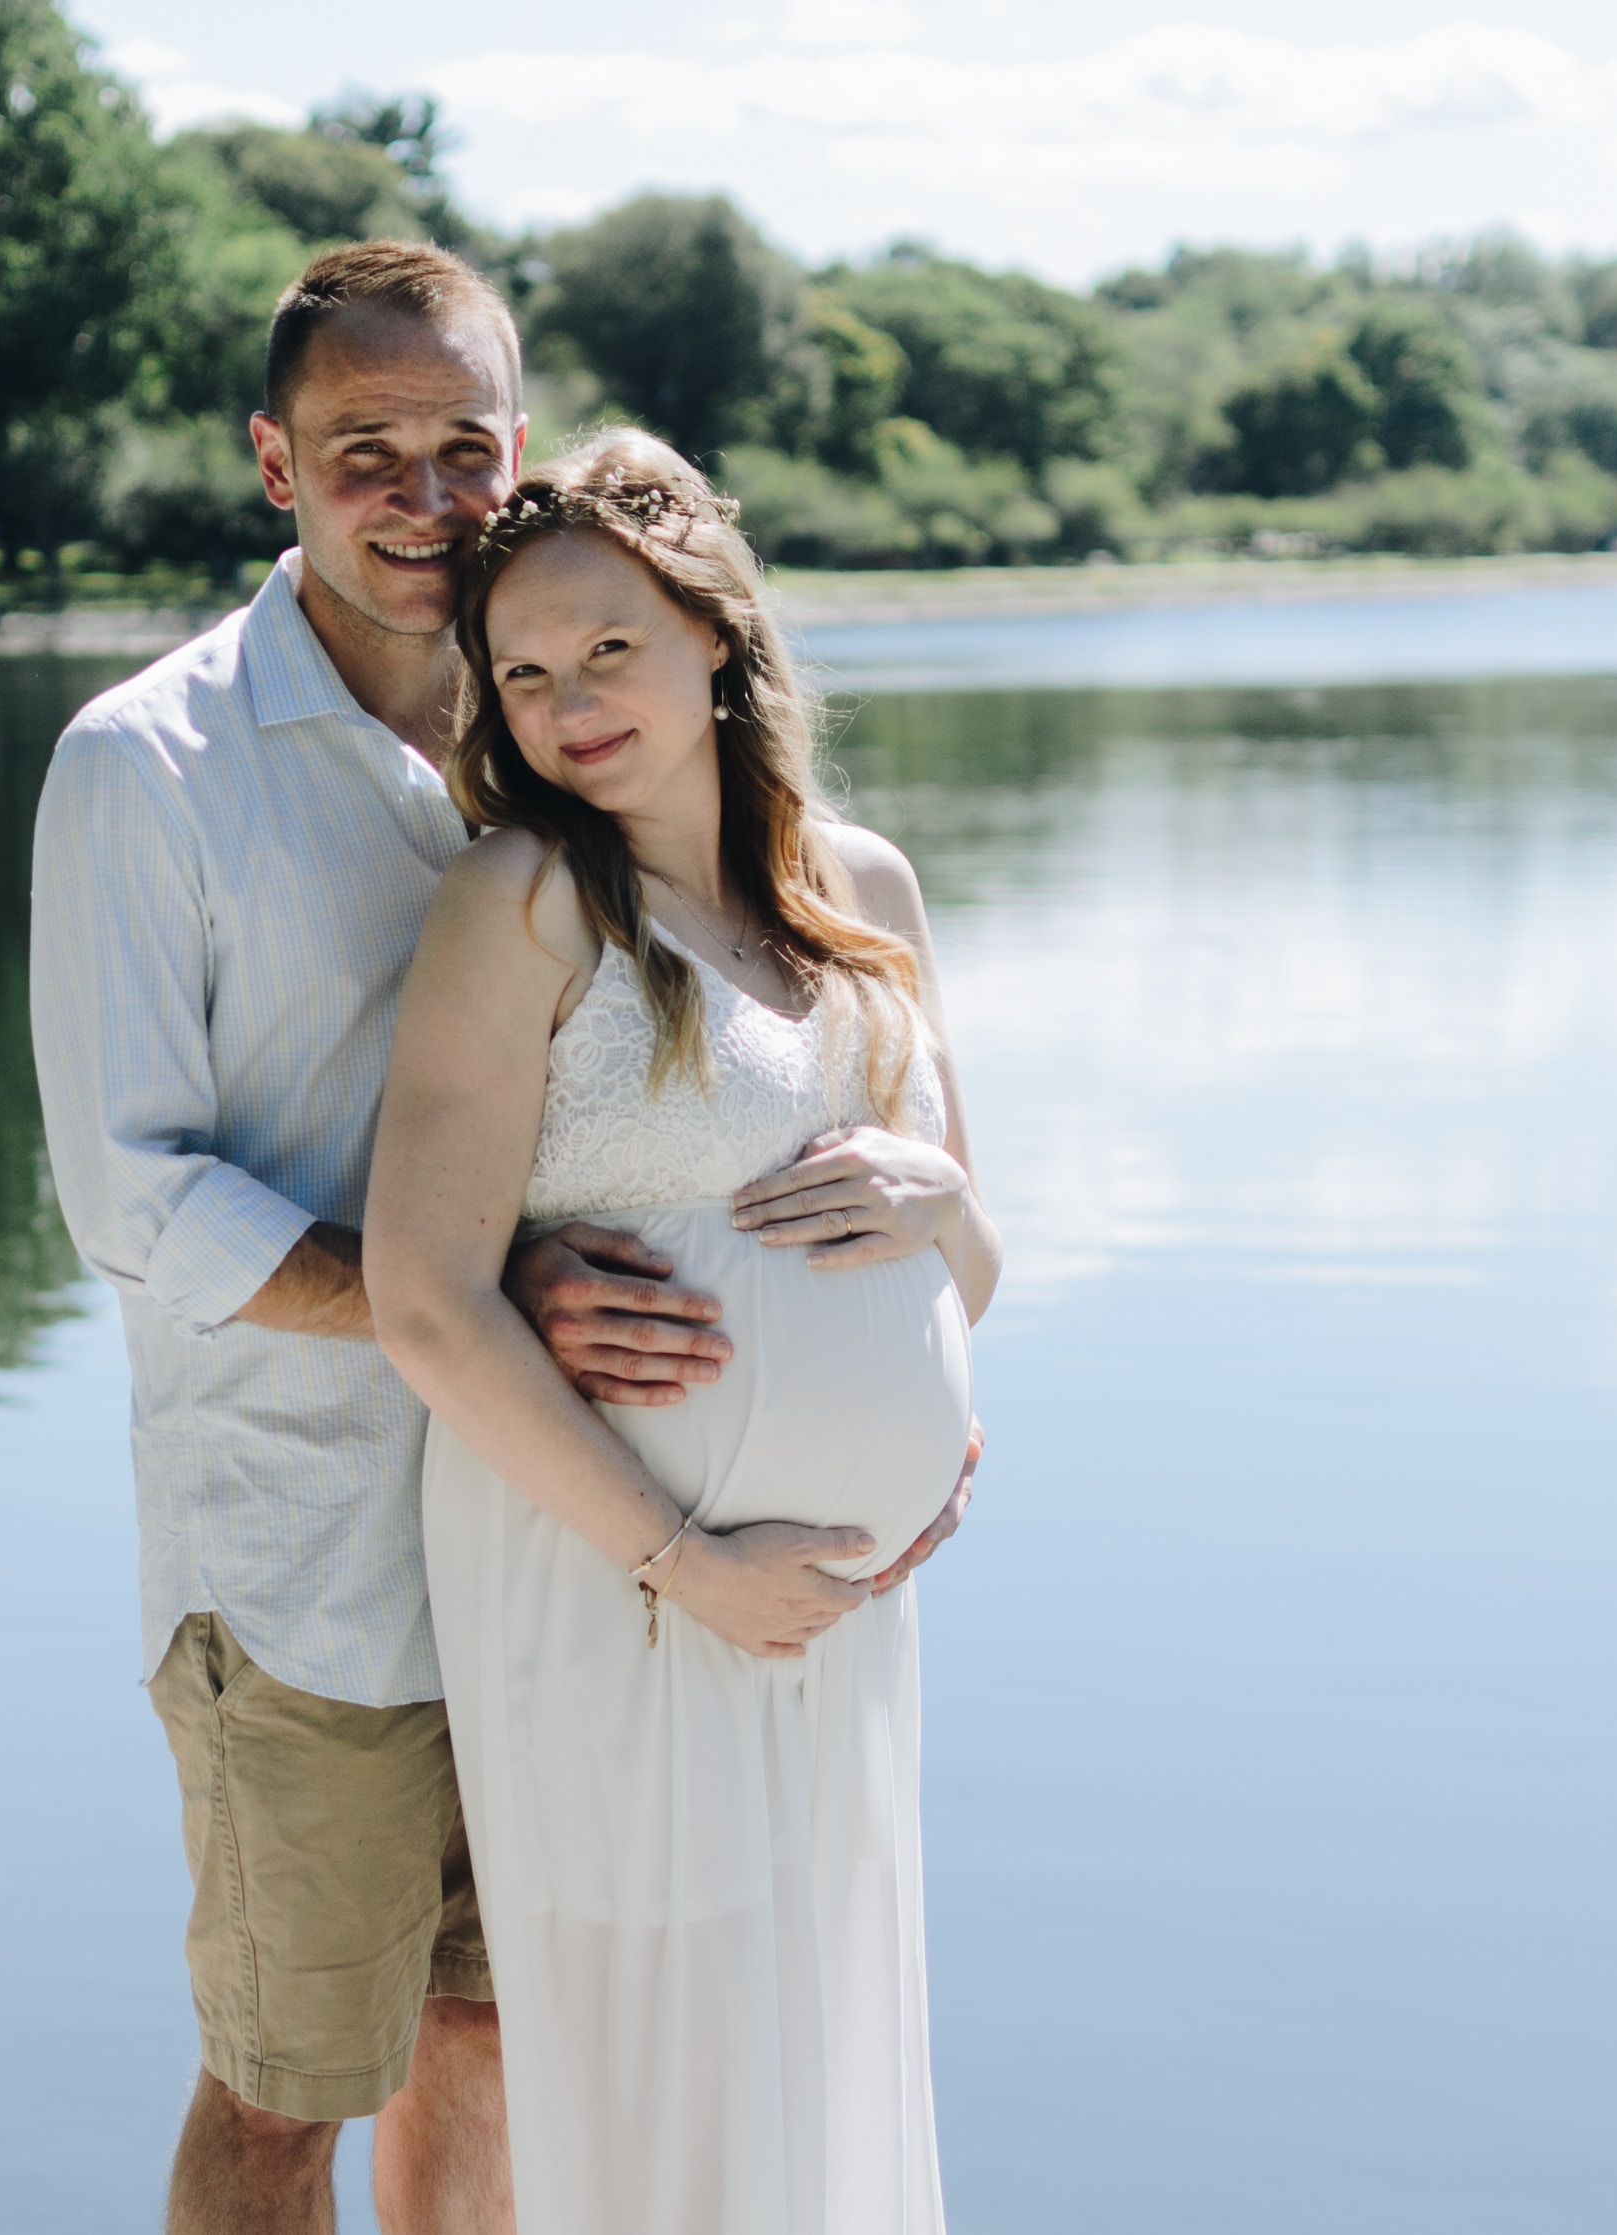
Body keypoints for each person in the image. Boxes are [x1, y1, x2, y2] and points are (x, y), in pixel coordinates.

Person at [30, 244, 979, 2235]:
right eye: (362, 446)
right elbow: (133, 1193)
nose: (423, 489)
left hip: (590, 1560)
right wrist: (455, 1300)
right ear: (274, 466)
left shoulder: (558, 716)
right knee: (295, 2075)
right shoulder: (152, 763)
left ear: (519, 448)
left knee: (513, 2042)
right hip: (321, 1559)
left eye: (463, 442)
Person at [363, 429, 1005, 2235]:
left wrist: (936, 1219)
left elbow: (978, 1265)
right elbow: (423, 1294)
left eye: (610, 651)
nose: (570, 704)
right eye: (526, 673)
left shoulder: (864, 894)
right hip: (619, 1579)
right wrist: (684, 1558)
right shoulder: (522, 906)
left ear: (715, 638)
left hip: (842, 1607)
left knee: (816, 2012)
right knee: (662, 2046)